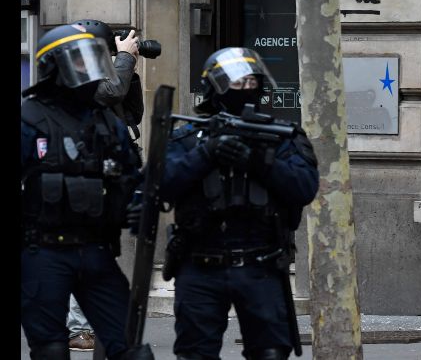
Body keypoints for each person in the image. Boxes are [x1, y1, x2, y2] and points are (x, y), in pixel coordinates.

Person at [159, 47, 319, 360]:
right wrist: (205, 155)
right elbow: (160, 186)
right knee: (195, 354)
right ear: (214, 89)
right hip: (200, 264)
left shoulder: (280, 136)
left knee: (271, 352)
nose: (246, 90)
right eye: (237, 84)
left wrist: (258, 161)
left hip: (261, 264)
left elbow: (304, 188)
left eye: (251, 82)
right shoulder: (188, 137)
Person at [20, 23, 152, 360]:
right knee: (51, 350)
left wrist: (137, 204)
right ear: (55, 67)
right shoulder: (29, 119)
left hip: (96, 252)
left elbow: (129, 176)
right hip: (43, 252)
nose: (91, 68)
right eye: (81, 61)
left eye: (96, 59)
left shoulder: (107, 122)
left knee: (131, 349)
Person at [64, 19, 146, 352]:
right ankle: (79, 328)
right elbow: (108, 92)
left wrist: (131, 71)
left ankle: (97, 322)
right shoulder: (74, 75)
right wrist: (122, 60)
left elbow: (132, 113)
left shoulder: (108, 74)